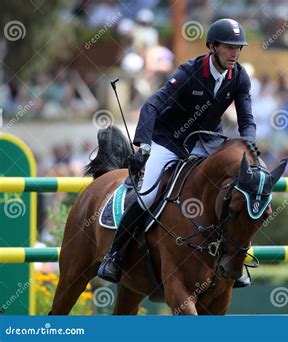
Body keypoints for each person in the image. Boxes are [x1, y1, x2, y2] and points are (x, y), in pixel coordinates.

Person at [98, 19, 256, 288]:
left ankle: (235, 261)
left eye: (238, 48)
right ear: (213, 47)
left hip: (207, 143)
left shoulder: (239, 76)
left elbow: (247, 122)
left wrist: (250, 150)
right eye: (229, 48)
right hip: (170, 141)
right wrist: (144, 146)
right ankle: (114, 255)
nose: (235, 54)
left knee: (235, 193)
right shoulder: (190, 71)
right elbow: (151, 105)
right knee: (147, 196)